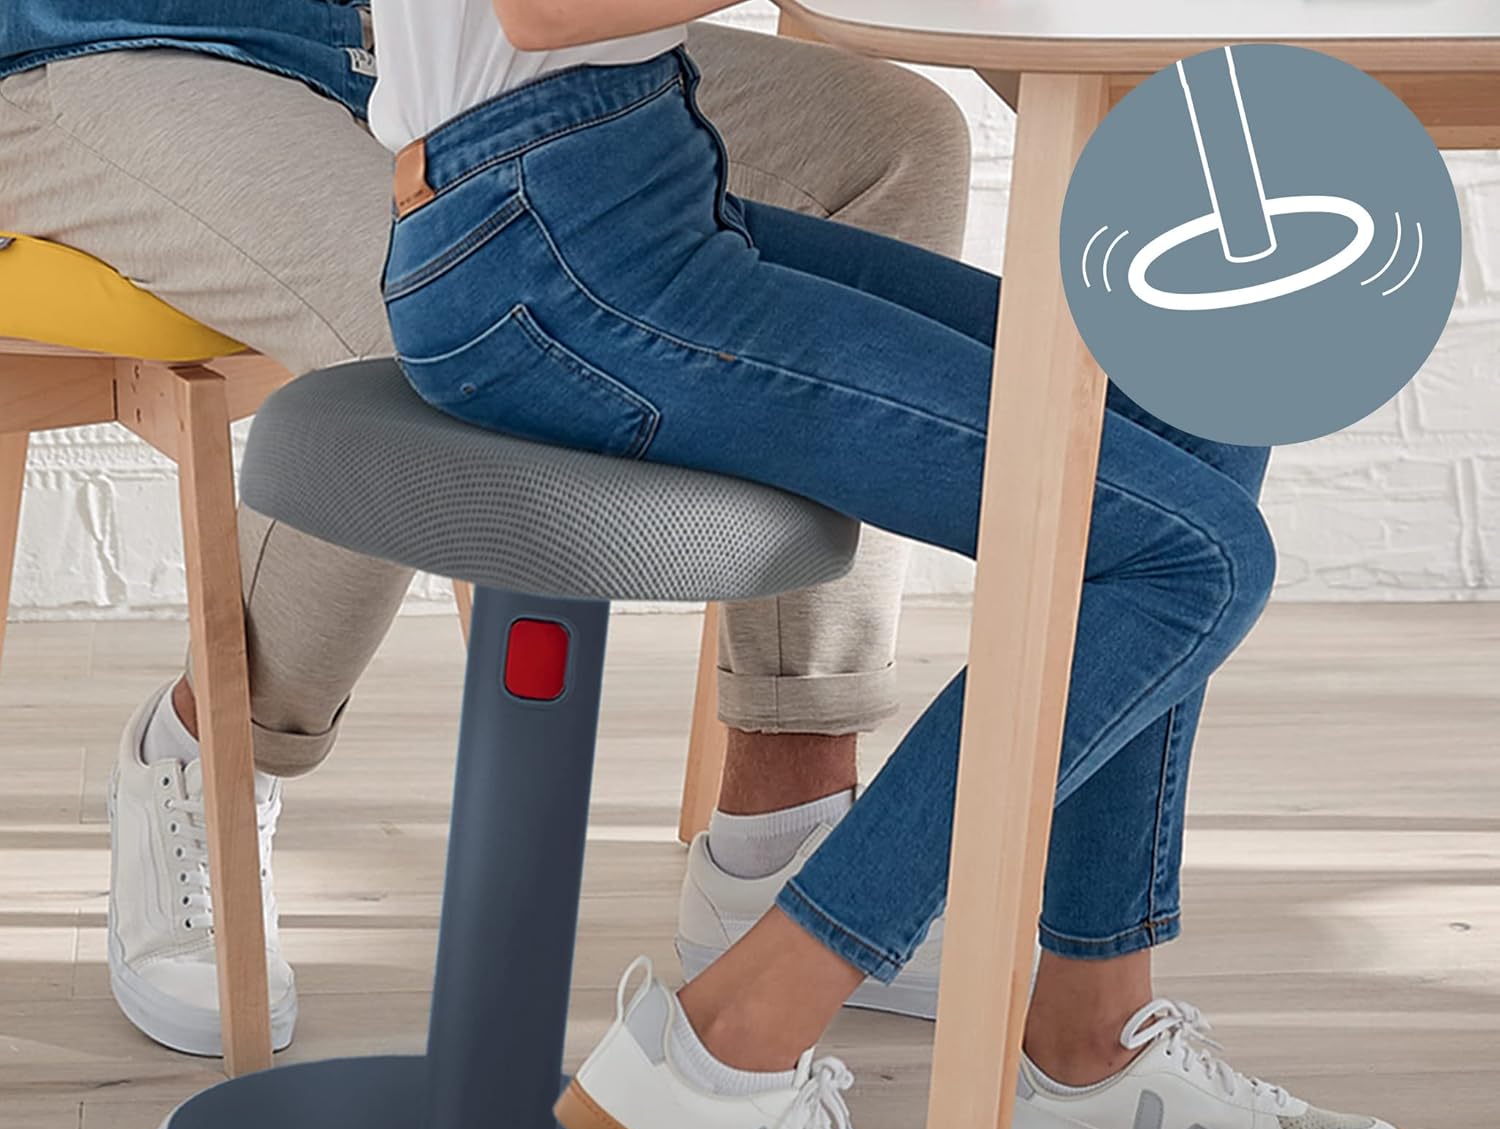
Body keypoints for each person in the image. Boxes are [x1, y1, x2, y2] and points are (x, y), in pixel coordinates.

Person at [369, 0, 1413, 1129]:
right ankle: (729, 1050)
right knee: (1194, 562)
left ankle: (1092, 1055)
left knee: (1193, 368)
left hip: (631, 188)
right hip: (546, 252)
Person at [0, 3, 967, 1051]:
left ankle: (781, 827)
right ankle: (206, 754)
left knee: (896, 138)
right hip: (99, 47)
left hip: (396, 32)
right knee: (449, 298)